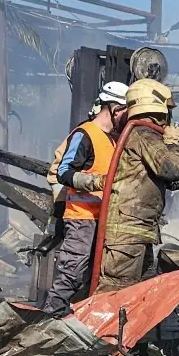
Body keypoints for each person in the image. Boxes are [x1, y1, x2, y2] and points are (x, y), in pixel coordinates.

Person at [92, 49, 179, 292]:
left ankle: (123, 332)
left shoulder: (144, 134)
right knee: (114, 297)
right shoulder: (143, 134)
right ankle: (97, 331)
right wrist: (174, 143)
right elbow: (172, 170)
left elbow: (168, 181)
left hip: (139, 234)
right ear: (158, 105)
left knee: (138, 296)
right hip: (127, 237)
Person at [41, 80, 130, 315]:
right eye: (126, 112)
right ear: (114, 108)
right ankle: (49, 319)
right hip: (81, 218)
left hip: (104, 221)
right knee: (72, 271)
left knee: (95, 275)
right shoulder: (85, 134)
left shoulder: (114, 140)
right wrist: (94, 181)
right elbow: (63, 171)